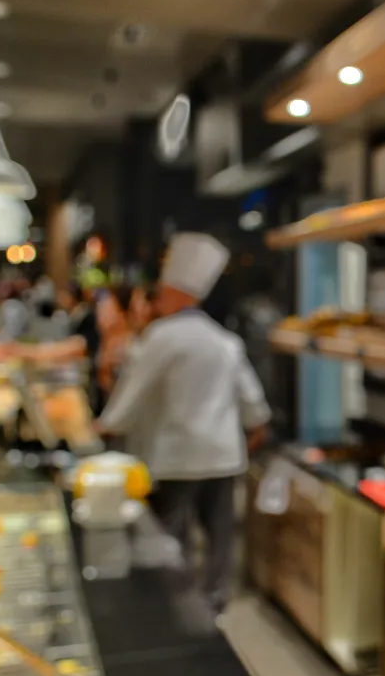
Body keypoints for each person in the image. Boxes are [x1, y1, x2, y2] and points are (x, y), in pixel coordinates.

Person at [95, 233, 270, 614]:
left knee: (172, 531)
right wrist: (257, 426)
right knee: (220, 533)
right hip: (223, 453)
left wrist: (108, 423)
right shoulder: (224, 341)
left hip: (176, 454)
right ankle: (215, 598)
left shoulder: (163, 337)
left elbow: (133, 389)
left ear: (174, 293)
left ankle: (175, 599)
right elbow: (250, 396)